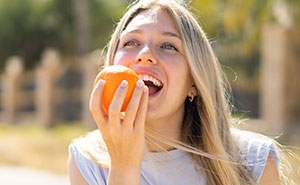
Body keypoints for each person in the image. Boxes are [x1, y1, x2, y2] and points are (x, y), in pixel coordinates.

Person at [68, 0, 285, 184]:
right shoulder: (87, 162)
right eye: (131, 42)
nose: (144, 55)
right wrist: (124, 167)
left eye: (169, 46)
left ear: (194, 82)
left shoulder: (254, 162)